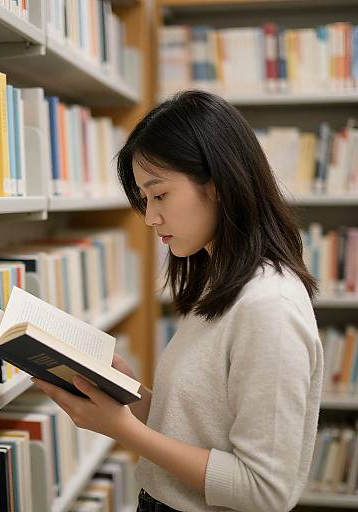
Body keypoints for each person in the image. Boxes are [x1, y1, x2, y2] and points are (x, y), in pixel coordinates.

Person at [33, 90, 323, 512]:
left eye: (160, 195)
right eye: (145, 200)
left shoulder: (268, 306)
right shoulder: (220, 283)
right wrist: (130, 396)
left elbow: (265, 490)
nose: (150, 218)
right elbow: (201, 430)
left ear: (219, 183)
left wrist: (125, 431)